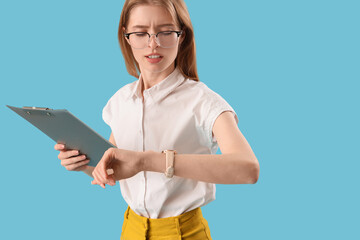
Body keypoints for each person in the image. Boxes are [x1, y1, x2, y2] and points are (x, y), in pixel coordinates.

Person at [55, 0, 260, 239]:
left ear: (181, 36)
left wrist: (147, 161)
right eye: (141, 33)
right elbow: (114, 168)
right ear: (126, 36)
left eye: (165, 32)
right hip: (131, 229)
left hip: (183, 232)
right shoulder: (120, 101)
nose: (153, 43)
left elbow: (248, 168)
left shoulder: (204, 101)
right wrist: (84, 164)